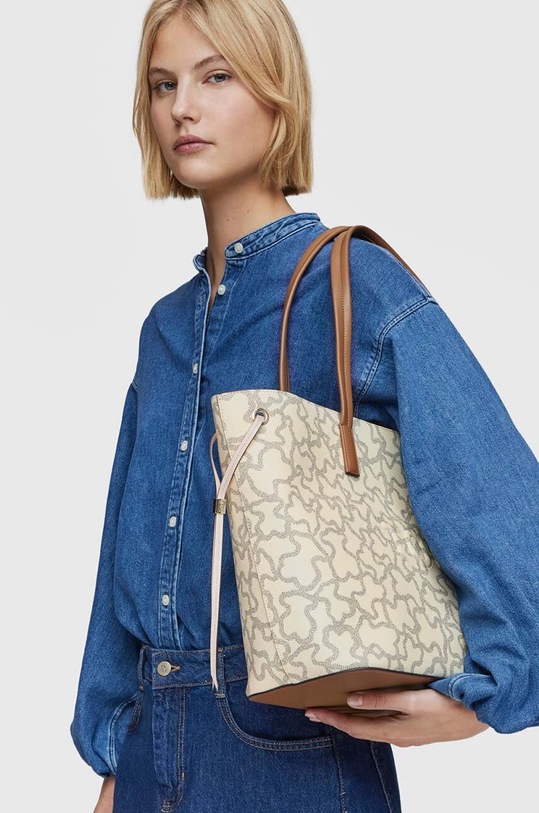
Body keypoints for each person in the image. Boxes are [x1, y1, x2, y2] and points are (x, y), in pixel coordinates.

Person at [69, 1, 539, 811]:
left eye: (216, 76)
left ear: (275, 90)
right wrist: (113, 758)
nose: (183, 107)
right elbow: (125, 556)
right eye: (163, 84)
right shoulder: (165, 328)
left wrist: (482, 700)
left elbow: (495, 498)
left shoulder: (353, 285)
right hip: (150, 748)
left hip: (291, 746)